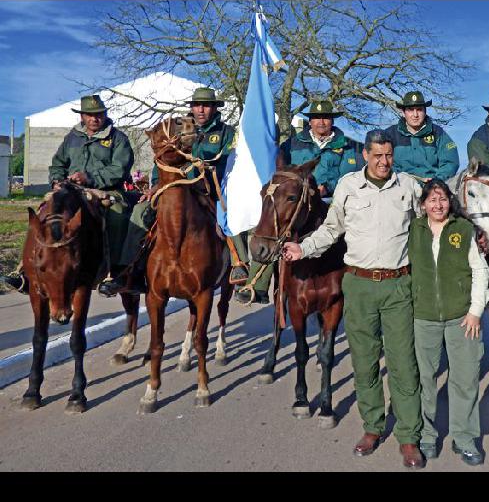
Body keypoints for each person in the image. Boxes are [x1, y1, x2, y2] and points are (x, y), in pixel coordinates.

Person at [282, 129, 426, 470]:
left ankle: (408, 436)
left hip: (397, 284)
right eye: (377, 155)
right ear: (365, 155)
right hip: (359, 285)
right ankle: (373, 427)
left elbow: (428, 225)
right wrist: (303, 248)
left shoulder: (408, 187)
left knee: (403, 364)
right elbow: (332, 230)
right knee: (364, 362)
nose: (383, 162)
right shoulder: (348, 186)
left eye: (388, 155)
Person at [98, 87, 248, 296]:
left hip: (210, 190)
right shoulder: (178, 128)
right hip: (173, 189)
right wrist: (156, 185)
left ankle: (239, 265)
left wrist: (208, 168)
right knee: (140, 211)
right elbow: (162, 158)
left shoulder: (227, 133)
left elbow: (230, 163)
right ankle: (127, 271)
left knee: (231, 215)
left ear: (214, 108)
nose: (201, 110)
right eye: (197, 105)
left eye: (205, 105)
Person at [234, 99, 363, 304]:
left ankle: (359, 287)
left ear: (332, 121)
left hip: (332, 203)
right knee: (275, 229)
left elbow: (354, 176)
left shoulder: (349, 147)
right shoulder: (292, 143)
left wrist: (327, 187)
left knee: (357, 235)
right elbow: (279, 170)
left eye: (326, 118)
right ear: (309, 121)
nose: (321, 122)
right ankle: (257, 286)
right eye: (316, 118)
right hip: (298, 205)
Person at [1, 94, 133, 294]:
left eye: (98, 114)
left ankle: (115, 273)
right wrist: (56, 180)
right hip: (70, 188)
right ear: (82, 116)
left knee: (117, 214)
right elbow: (57, 163)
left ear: (105, 115)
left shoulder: (118, 138)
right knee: (42, 214)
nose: (94, 119)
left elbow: (119, 169)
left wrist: (89, 178)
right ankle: (23, 271)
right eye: (89, 115)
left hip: (106, 190)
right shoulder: (72, 137)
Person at [408, 178, 489, 466]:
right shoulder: (413, 231)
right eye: (432, 200)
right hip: (423, 318)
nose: (438, 205)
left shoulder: (464, 229)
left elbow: (480, 271)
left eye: (442, 199)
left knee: (465, 379)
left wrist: (475, 311)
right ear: (423, 204)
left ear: (449, 201)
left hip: (461, 318)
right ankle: (427, 436)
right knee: (425, 380)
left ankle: (464, 438)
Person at [383, 91, 459, 181]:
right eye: (410, 110)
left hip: (431, 188)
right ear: (403, 112)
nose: (415, 115)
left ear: (425, 111)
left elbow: (450, 163)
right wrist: (399, 178)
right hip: (398, 186)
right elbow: (380, 161)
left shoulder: (438, 133)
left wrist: (437, 181)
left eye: (419, 109)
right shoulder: (389, 134)